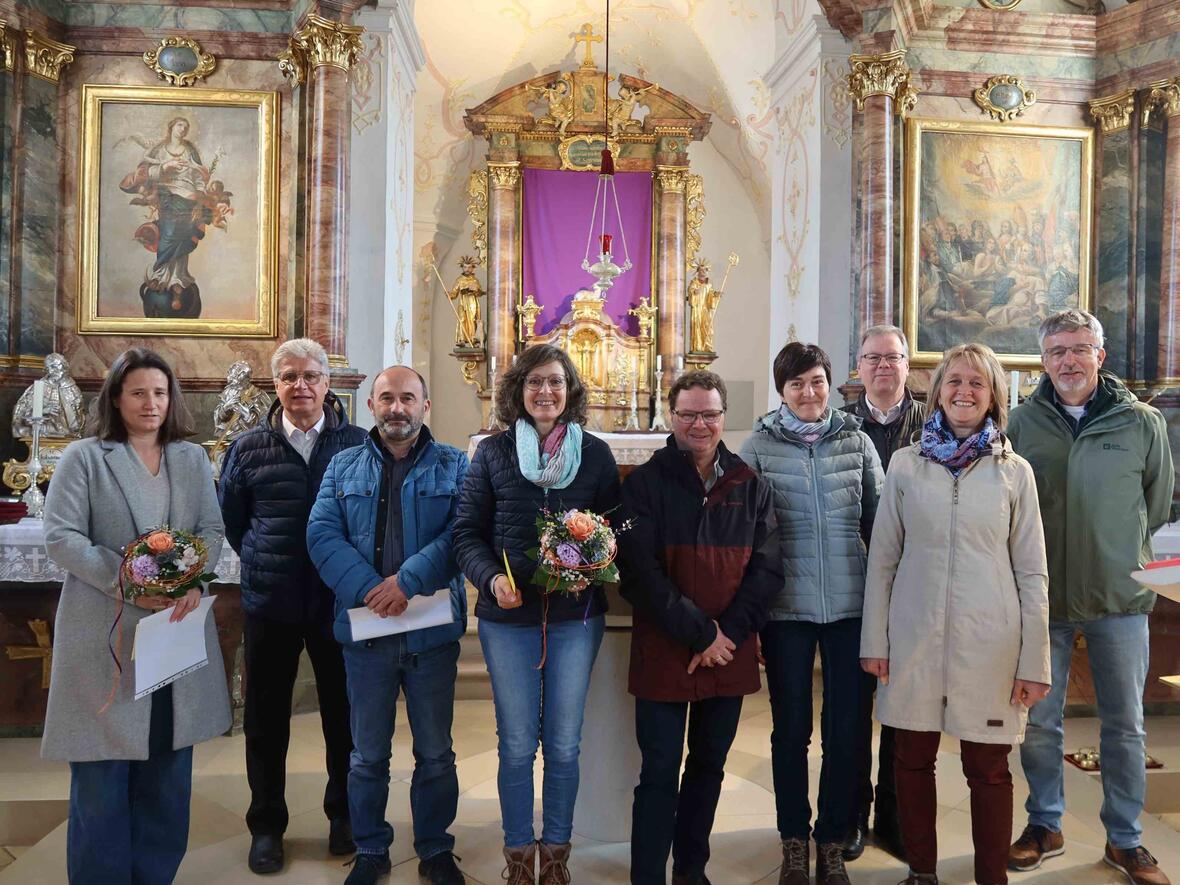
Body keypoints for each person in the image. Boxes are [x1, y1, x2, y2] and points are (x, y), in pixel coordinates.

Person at [861, 342, 1051, 885]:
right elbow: (883, 561)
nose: (964, 391)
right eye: (954, 381)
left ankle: (991, 876)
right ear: (938, 390)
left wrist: (1034, 660)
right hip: (914, 638)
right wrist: (875, 639)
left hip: (991, 644)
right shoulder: (905, 464)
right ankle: (922, 871)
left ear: (992, 397)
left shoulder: (1014, 474)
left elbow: (1033, 572)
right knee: (911, 761)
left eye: (977, 383)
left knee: (988, 771)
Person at [41, 347, 230, 884]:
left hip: (174, 633)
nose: (151, 404)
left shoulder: (192, 459)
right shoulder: (85, 457)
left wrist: (192, 579)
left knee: (167, 780)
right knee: (101, 785)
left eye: (160, 393)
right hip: (106, 632)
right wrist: (128, 582)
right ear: (117, 399)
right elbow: (60, 537)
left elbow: (211, 533)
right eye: (139, 393)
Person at [1007, 310, 1174, 885]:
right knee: (1040, 723)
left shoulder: (1141, 423)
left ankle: (1126, 840)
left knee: (1125, 726)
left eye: (1080, 349)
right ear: (1044, 361)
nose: (1069, 361)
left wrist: (1118, 551)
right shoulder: (1021, 423)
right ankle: (1045, 823)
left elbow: (1156, 505)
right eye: (1057, 351)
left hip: (1119, 597)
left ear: (1101, 356)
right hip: (1043, 599)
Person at [453, 343, 620, 885]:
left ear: (570, 390)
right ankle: (519, 855)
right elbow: (466, 534)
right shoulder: (494, 453)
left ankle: (556, 856)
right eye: (534, 383)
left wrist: (594, 562)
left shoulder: (594, 454)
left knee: (566, 744)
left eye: (554, 382)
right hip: (509, 618)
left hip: (576, 618)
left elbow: (615, 533)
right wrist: (492, 577)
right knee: (518, 744)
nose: (545, 392)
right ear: (517, 392)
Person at [307, 366, 468, 885]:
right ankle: (371, 848)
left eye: (408, 399)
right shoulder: (341, 467)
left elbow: (461, 533)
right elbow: (322, 535)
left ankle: (436, 848)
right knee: (367, 755)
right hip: (366, 633)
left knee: (436, 752)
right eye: (387, 399)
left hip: (431, 633)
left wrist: (408, 581)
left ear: (425, 406)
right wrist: (368, 589)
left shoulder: (455, 466)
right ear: (370, 406)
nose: (397, 408)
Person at [621, 370, 781, 885]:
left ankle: (692, 870)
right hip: (666, 646)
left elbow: (768, 569)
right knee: (659, 772)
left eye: (709, 413)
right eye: (688, 414)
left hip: (727, 652)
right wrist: (700, 635)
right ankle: (647, 875)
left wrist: (725, 636)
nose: (699, 423)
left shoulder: (750, 484)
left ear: (723, 417)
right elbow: (638, 574)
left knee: (709, 767)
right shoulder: (644, 483)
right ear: (671, 417)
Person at [218, 338, 367, 874]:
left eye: (310, 375)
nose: (300, 386)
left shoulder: (357, 444)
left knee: (343, 718)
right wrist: (267, 562)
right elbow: (233, 522)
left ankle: (343, 817)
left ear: (327, 383)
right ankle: (266, 825)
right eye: (288, 377)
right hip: (271, 602)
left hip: (339, 603)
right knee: (265, 721)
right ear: (274, 385)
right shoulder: (248, 447)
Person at [740, 343, 882, 885]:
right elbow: (746, 540)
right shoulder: (757, 447)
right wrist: (750, 616)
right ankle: (794, 840)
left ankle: (831, 839)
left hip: (851, 608)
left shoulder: (857, 441)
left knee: (846, 731)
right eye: (796, 383)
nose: (808, 392)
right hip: (785, 612)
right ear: (782, 389)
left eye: (817, 381)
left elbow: (882, 527)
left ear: (830, 384)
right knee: (790, 731)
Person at [840, 324, 923, 862]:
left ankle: (894, 817)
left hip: (914, 580)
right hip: (855, 581)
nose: (883, 366)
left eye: (892, 357)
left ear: (907, 364)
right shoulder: (841, 426)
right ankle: (850, 816)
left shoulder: (934, 423)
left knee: (902, 708)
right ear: (859, 367)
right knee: (851, 709)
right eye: (872, 358)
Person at [12, 352, 87, 439]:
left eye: (54, 367)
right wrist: (44, 410)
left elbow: (77, 420)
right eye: (48, 368)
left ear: (64, 367)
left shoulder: (72, 389)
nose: (51, 371)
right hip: (43, 429)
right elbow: (22, 413)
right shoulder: (39, 387)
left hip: (66, 431)